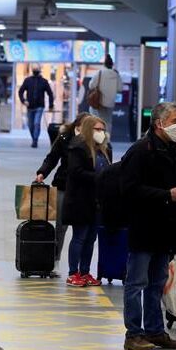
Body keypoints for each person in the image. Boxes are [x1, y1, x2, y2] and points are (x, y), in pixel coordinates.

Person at [121, 102, 176, 350]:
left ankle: (155, 330)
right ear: (159, 123)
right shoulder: (141, 151)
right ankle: (133, 334)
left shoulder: (173, 150)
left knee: (158, 282)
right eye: (174, 121)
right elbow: (128, 189)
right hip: (144, 226)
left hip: (166, 227)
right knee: (136, 282)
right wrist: (164, 195)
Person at [36, 112, 91, 272]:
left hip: (84, 189)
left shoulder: (93, 140)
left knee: (82, 231)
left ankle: (81, 268)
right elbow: (52, 158)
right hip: (64, 186)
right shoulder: (65, 138)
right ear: (78, 125)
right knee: (61, 226)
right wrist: (42, 172)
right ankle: (55, 259)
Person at [63, 115, 112, 287]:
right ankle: (72, 272)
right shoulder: (78, 147)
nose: (100, 133)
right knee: (79, 237)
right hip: (80, 200)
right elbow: (76, 172)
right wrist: (99, 177)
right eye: (97, 129)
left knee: (91, 238)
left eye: (102, 130)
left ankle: (84, 271)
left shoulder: (105, 149)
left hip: (97, 201)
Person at [19, 64, 54, 148]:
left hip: (39, 106)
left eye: (37, 69)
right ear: (32, 70)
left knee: (36, 123)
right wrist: (24, 101)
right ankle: (33, 138)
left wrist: (50, 105)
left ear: (39, 70)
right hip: (30, 106)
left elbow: (50, 94)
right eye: (34, 69)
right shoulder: (27, 80)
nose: (35, 70)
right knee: (30, 125)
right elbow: (20, 91)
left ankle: (35, 140)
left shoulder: (44, 81)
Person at [88, 54, 122, 136]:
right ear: (112, 65)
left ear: (104, 64)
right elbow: (120, 89)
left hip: (99, 101)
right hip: (110, 103)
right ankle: (107, 138)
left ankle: (97, 137)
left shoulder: (100, 73)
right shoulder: (116, 75)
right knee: (108, 121)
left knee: (96, 118)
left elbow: (91, 85)